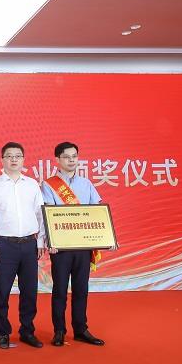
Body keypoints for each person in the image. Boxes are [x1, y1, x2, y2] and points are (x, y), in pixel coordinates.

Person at [42, 141, 106, 347]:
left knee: (81, 289)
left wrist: (105, 238)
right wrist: (50, 241)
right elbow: (47, 216)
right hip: (61, 247)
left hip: (82, 246)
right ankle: (59, 330)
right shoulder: (48, 185)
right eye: (67, 157)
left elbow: (97, 212)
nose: (71, 160)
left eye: (74, 156)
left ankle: (80, 329)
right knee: (60, 290)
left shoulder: (86, 184)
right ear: (58, 159)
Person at [0, 142, 46, 349]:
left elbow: (40, 214)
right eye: (9, 156)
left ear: (23, 159)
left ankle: (27, 331)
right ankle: (3, 333)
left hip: (29, 244)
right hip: (4, 244)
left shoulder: (32, 185)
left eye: (17, 156)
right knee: (2, 292)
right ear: (2, 160)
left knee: (29, 291)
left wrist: (40, 240)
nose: (13, 159)